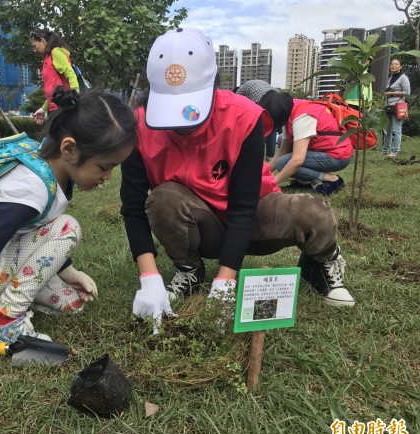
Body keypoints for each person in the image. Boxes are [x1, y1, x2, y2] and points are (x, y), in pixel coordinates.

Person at [120, 28, 354, 334]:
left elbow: (244, 206)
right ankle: (190, 270)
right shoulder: (140, 127)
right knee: (163, 198)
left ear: (214, 85)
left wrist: (227, 280)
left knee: (313, 213)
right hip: (201, 223)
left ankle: (321, 263)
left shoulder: (244, 117)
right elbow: (133, 207)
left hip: (254, 214)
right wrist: (149, 278)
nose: (182, 125)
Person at [0, 87, 137, 361]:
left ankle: (3, 305)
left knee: (72, 304)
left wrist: (67, 271)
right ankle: (2, 319)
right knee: (68, 228)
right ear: (69, 148)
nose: (108, 177)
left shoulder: (51, 165)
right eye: (103, 167)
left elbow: (34, 225)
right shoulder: (32, 187)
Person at [267, 93, 354, 196]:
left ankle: (333, 180)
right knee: (282, 139)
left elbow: (297, 161)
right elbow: (283, 151)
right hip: (324, 148)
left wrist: (270, 184)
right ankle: (303, 182)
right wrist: (263, 173)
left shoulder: (302, 117)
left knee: (283, 163)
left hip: (338, 156)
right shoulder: (291, 109)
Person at [29, 28, 80, 125]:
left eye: (34, 45)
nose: (34, 49)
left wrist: (75, 96)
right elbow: (53, 88)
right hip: (55, 108)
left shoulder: (55, 53)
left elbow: (71, 74)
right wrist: (43, 109)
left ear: (43, 41)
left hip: (63, 108)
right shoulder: (48, 58)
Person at [236, 80, 293, 160]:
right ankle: (264, 156)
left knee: (267, 127)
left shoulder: (240, 94)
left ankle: (266, 156)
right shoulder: (247, 94)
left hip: (267, 98)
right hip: (267, 97)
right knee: (265, 128)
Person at [382, 58, 410, 158]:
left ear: (400, 66)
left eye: (396, 64)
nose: (393, 66)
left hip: (398, 107)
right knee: (387, 129)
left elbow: (407, 92)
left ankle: (395, 151)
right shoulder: (390, 78)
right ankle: (385, 150)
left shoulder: (403, 78)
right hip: (389, 106)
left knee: (397, 130)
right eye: (392, 64)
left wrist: (392, 93)